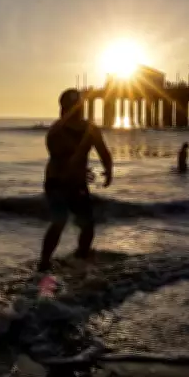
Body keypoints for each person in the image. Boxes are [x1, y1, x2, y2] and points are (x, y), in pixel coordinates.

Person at [38, 89, 113, 273]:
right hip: (56, 183)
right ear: (63, 109)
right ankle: (44, 263)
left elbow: (103, 152)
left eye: (78, 106)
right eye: (71, 107)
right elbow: (61, 157)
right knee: (59, 220)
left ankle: (81, 257)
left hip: (77, 185)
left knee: (88, 225)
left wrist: (108, 170)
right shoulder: (56, 131)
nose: (76, 110)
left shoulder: (91, 129)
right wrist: (79, 169)